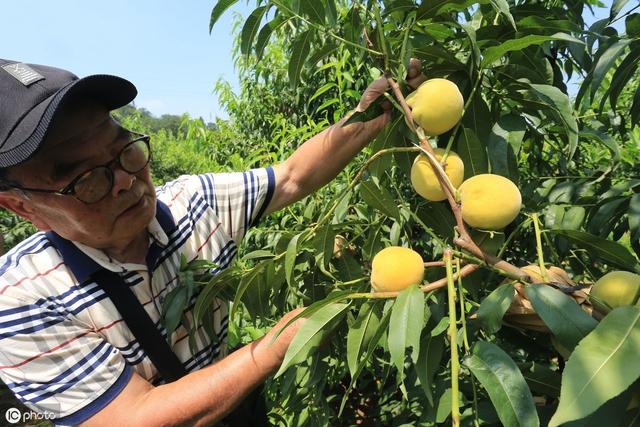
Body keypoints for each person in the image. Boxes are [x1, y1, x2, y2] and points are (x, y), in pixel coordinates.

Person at [0, 58, 424, 426]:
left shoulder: (193, 204)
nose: (127, 182)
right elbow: (134, 418)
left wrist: (377, 112)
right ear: (22, 208)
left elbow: (293, 176)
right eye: (88, 181)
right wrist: (276, 344)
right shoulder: (19, 300)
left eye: (126, 151)